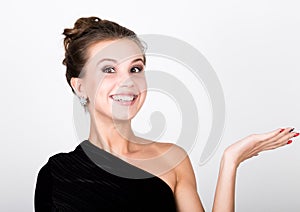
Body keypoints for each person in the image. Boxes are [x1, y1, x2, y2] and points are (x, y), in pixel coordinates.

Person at [34, 16, 299, 212]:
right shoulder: (57, 174)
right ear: (81, 87)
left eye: (135, 69)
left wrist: (230, 162)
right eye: (109, 69)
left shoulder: (173, 159)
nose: (127, 81)